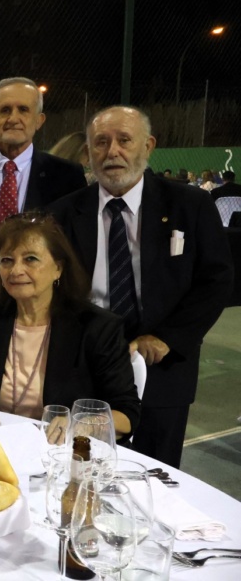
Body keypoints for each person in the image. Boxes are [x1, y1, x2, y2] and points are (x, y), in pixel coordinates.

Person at [49, 106, 233, 467]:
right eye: (101, 142)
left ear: (148, 146)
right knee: (78, 471)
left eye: (124, 140)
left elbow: (216, 280)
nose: (112, 151)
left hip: (162, 368)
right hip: (85, 367)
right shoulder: (63, 214)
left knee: (154, 475)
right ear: (88, 152)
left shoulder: (190, 205)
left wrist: (166, 337)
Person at [0, 214, 140, 433]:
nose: (16, 270)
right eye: (7, 260)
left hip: (61, 447)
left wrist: (81, 423)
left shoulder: (97, 327)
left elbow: (127, 413)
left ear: (58, 268)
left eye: (30, 259)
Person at [0, 77, 86, 223]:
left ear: (39, 121)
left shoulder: (68, 176)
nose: (13, 119)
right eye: (5, 110)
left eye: (23, 110)